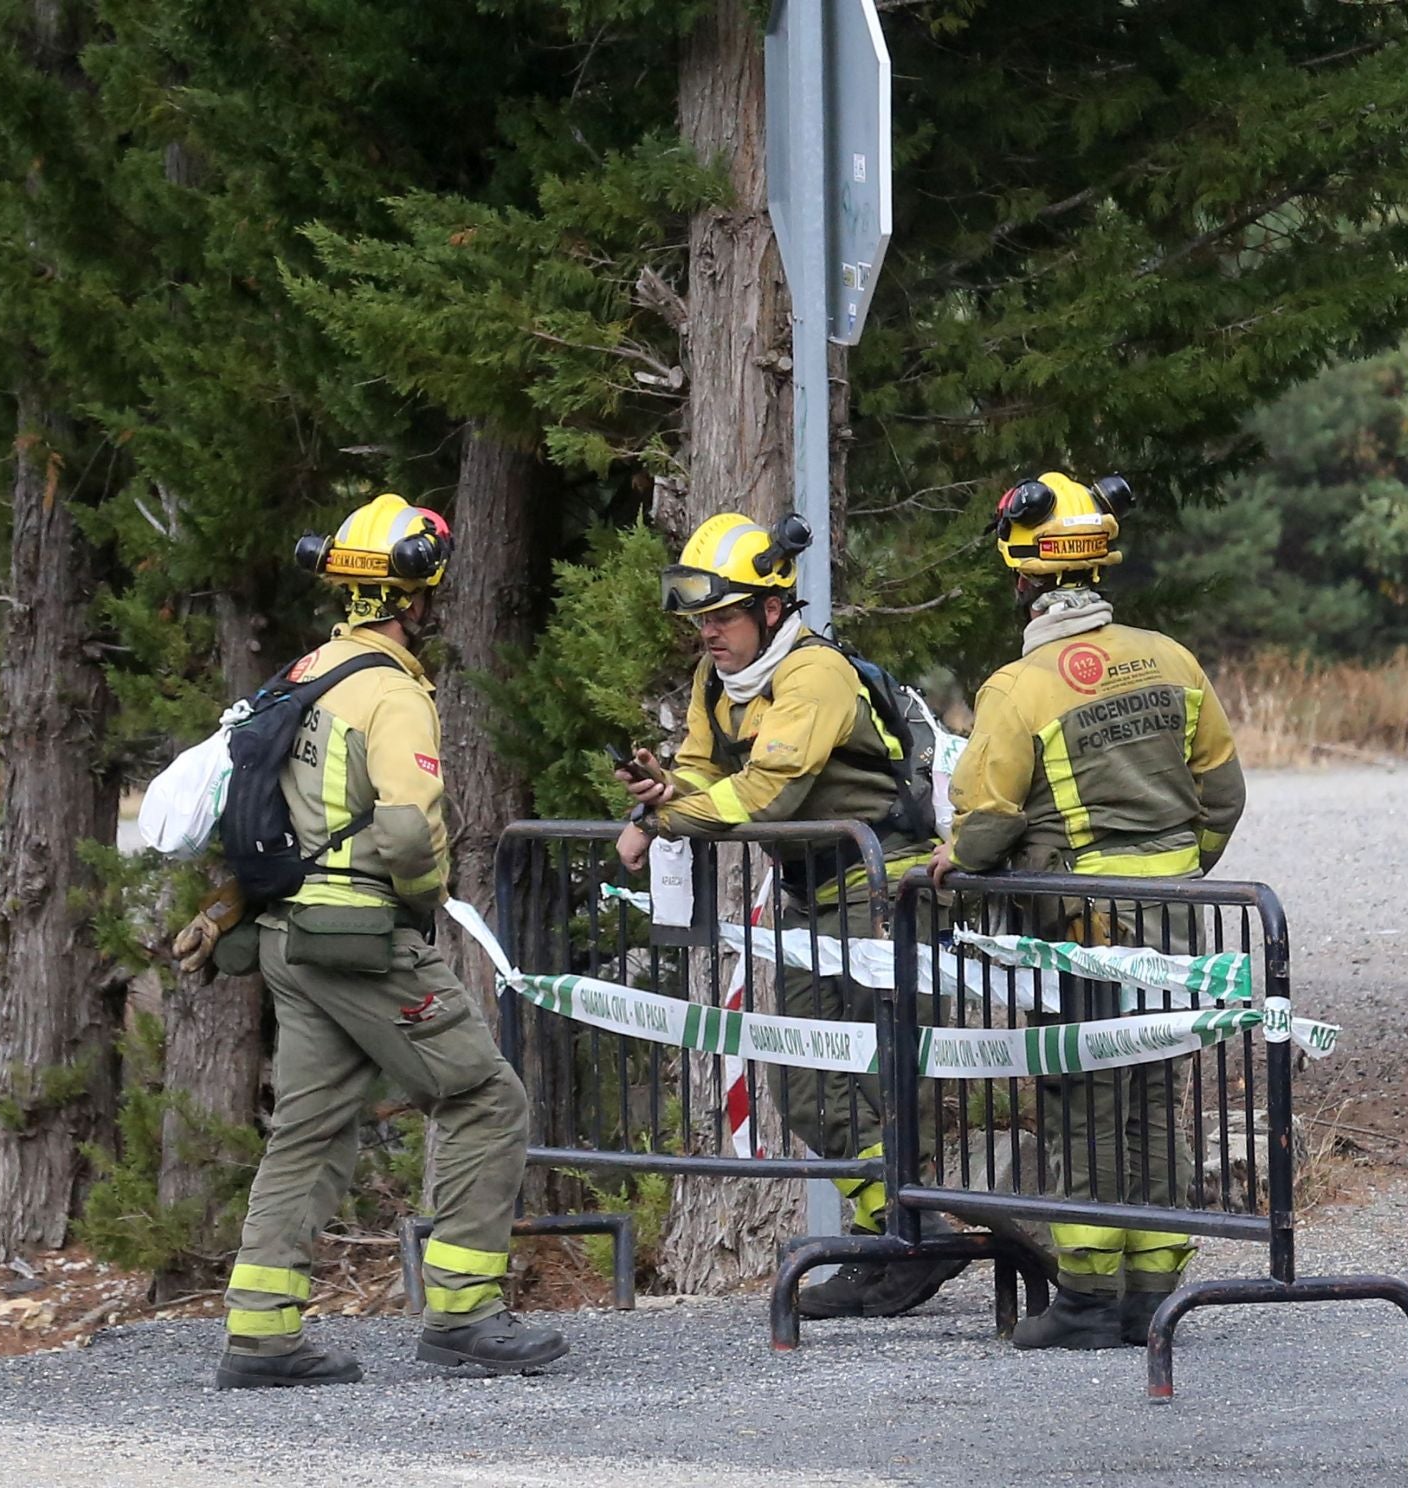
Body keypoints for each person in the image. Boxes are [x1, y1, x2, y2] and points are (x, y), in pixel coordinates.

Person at [174, 492, 566, 1388]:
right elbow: (407, 835)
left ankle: (260, 1335)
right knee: (485, 1098)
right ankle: (464, 1313)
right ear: (417, 595)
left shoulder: (306, 673)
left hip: (288, 938)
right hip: (359, 940)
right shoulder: (392, 691)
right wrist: (424, 904)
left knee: (307, 1130)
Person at [929, 471, 1247, 1350]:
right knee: (1156, 1093)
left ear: (1021, 575)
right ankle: (1153, 1294)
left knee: (1086, 1097)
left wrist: (954, 861)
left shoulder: (1020, 687)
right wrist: (1174, 873)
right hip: (1176, 919)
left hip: (1079, 928)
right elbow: (1223, 796)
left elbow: (990, 818)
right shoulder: (1172, 659)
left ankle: (1086, 1300)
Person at [614, 511, 955, 1319]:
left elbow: (770, 791)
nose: (709, 635)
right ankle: (897, 1234)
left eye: (724, 617)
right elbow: (705, 772)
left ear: (772, 609)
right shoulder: (716, 682)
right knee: (804, 1085)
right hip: (810, 898)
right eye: (701, 621)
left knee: (878, 1077)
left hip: (881, 894)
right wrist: (663, 790)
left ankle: (910, 1236)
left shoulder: (814, 675)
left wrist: (663, 821)